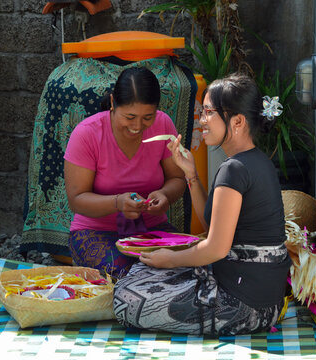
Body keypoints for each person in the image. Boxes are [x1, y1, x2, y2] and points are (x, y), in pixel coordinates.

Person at [113, 73, 292, 335]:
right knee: (142, 271)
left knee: (125, 299)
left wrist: (171, 260)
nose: (202, 121)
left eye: (208, 112)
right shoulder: (257, 162)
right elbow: (213, 226)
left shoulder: (234, 169)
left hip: (242, 306)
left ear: (238, 121)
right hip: (267, 301)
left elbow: (216, 248)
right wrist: (190, 174)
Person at [63, 67, 186, 278]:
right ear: (112, 103)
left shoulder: (163, 123)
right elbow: (76, 200)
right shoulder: (87, 134)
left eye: (148, 117)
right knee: (132, 277)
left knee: (191, 265)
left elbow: (177, 179)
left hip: (151, 229)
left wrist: (165, 195)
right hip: (96, 232)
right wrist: (117, 203)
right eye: (129, 117)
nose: (138, 126)